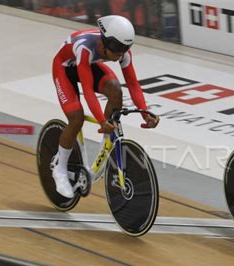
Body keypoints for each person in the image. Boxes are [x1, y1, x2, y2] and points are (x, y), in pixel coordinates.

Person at [52, 15, 160, 198]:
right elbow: (88, 91)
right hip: (64, 68)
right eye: (117, 50)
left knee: (116, 90)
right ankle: (59, 168)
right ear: (104, 42)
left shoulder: (121, 51)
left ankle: (107, 141)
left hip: (88, 65)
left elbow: (133, 84)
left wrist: (145, 113)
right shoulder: (85, 47)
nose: (120, 55)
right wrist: (102, 120)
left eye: (125, 49)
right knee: (76, 118)